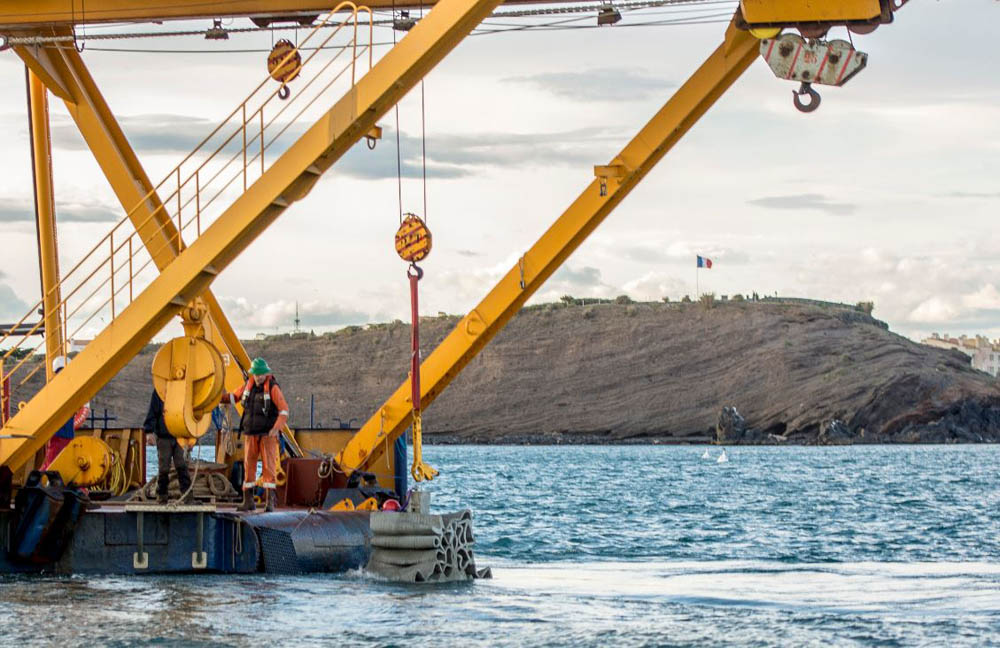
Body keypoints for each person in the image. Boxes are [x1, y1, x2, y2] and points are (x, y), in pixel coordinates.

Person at [220, 357, 289, 512]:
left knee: (269, 468)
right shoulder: (247, 387)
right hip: (250, 434)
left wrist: (276, 428)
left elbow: (284, 410)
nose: (258, 377)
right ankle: (248, 501)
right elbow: (234, 397)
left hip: (267, 435)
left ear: (266, 374)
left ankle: (269, 502)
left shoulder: (273, 388)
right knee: (249, 467)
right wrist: (218, 398)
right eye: (256, 374)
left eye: (261, 374)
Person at [143, 389, 193, 505]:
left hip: (180, 436)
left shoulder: (184, 390)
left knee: (182, 465)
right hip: (164, 436)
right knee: (164, 467)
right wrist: (149, 431)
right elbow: (153, 411)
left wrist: (191, 436)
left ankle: (188, 497)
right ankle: (162, 496)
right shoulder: (158, 392)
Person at [41, 355, 90, 469]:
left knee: (54, 460)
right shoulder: (66, 384)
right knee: (55, 461)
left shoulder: (57, 385)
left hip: (60, 431)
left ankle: (46, 478)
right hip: (62, 431)